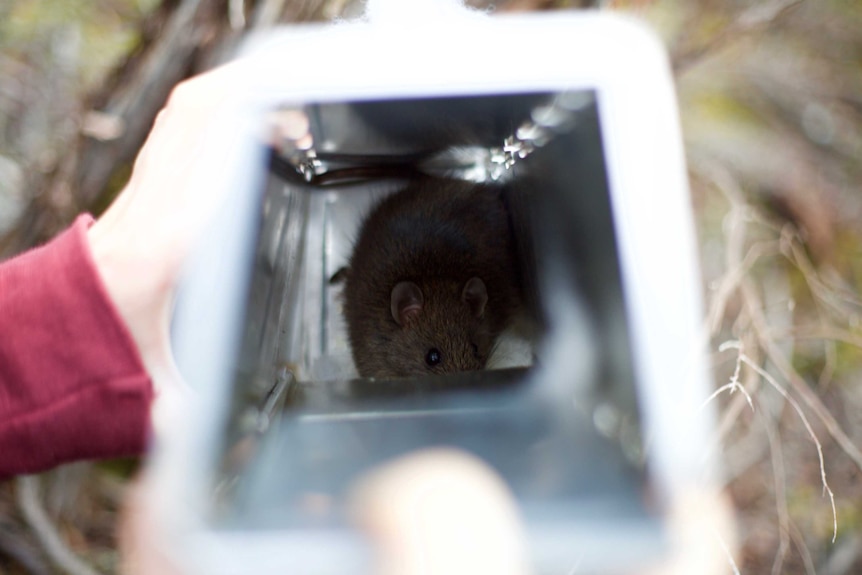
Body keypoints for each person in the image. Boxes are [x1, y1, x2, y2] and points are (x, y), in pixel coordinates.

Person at [0, 61, 734, 575]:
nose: (468, 366)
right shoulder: (383, 321)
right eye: (445, 359)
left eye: (471, 345)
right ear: (399, 315)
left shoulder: (472, 308)